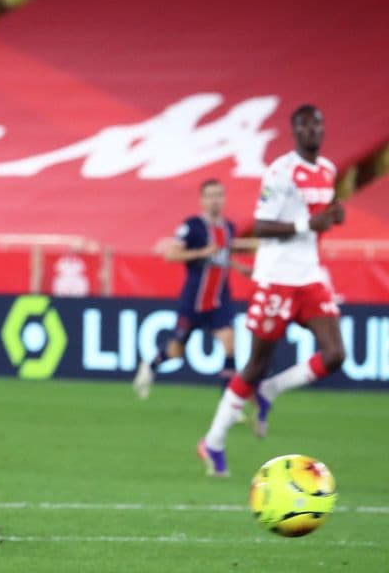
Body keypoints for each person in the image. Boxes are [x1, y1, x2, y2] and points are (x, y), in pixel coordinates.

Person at [197, 104, 345, 476]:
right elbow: (260, 225)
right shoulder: (280, 172)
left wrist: (333, 216)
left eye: (317, 123)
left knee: (335, 355)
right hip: (276, 277)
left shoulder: (327, 170)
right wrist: (306, 223)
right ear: (295, 132)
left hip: (309, 275)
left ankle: (271, 391)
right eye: (305, 125)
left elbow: (320, 217)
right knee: (255, 364)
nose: (313, 130)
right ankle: (212, 442)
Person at [133, 179, 253, 398]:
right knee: (177, 351)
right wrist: (201, 253)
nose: (215, 200)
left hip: (219, 299)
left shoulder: (229, 227)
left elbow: (223, 256)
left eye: (219, 195)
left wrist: (240, 268)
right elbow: (171, 255)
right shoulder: (192, 226)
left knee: (229, 342)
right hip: (194, 300)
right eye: (210, 196)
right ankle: (150, 366)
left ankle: (229, 404)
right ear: (202, 200)